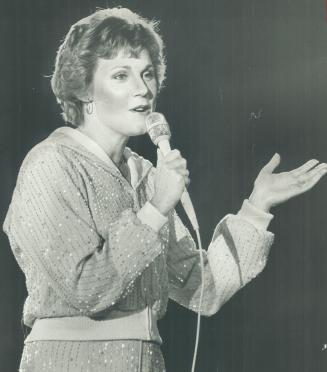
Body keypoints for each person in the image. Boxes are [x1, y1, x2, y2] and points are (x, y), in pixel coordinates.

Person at [3, 7, 327, 372]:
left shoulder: (145, 174)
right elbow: (85, 288)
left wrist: (257, 205)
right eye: (121, 75)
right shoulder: (51, 164)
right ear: (83, 89)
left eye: (148, 74)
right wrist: (156, 207)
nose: (143, 89)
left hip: (146, 360)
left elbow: (203, 289)